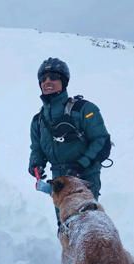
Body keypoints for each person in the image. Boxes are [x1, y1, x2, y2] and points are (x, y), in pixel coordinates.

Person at [28, 57, 112, 225]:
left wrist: (81, 164)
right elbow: (37, 148)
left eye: (53, 77)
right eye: (43, 79)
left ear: (64, 81)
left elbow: (101, 141)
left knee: (85, 225)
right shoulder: (38, 120)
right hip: (58, 181)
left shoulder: (84, 109)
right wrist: (35, 165)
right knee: (65, 227)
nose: (47, 81)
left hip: (84, 178)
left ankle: (101, 250)